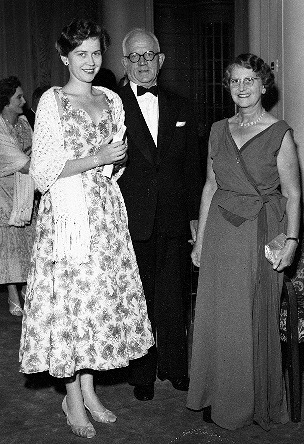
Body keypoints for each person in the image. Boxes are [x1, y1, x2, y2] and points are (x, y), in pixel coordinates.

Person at [19, 19, 154, 439]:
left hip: (105, 214)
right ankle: (71, 399)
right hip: (67, 219)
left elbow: (116, 162)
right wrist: (96, 158)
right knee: (71, 309)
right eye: (81, 54)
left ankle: (90, 391)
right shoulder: (53, 103)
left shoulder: (112, 98)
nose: (91, 62)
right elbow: (43, 172)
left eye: (96, 53)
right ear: (65, 57)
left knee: (95, 305)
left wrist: (115, 158)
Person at [186, 53, 301, 431]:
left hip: (259, 232)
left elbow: (294, 194)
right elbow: (210, 185)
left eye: (249, 80)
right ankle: (215, 394)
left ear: (264, 85)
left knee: (247, 318)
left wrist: (291, 241)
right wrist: (200, 241)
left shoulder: (279, 131)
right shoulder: (219, 129)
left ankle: (246, 403)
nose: (241, 87)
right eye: (234, 81)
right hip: (219, 231)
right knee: (217, 317)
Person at [118, 28, 203, 401]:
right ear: (124, 63)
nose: (142, 63)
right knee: (138, 298)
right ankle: (142, 375)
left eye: (148, 55)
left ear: (161, 60)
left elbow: (193, 167)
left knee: (173, 294)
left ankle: (175, 366)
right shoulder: (111, 105)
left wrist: (194, 218)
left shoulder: (182, 105)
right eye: (134, 57)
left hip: (172, 217)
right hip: (130, 218)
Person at [0, 76, 36, 316]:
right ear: (5, 102)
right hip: (5, 191)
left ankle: (26, 288)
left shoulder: (24, 122)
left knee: (28, 241)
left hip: (26, 190)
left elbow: (38, 150)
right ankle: (13, 293)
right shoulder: (0, 128)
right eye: (19, 97)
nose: (23, 101)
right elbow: (21, 163)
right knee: (10, 244)